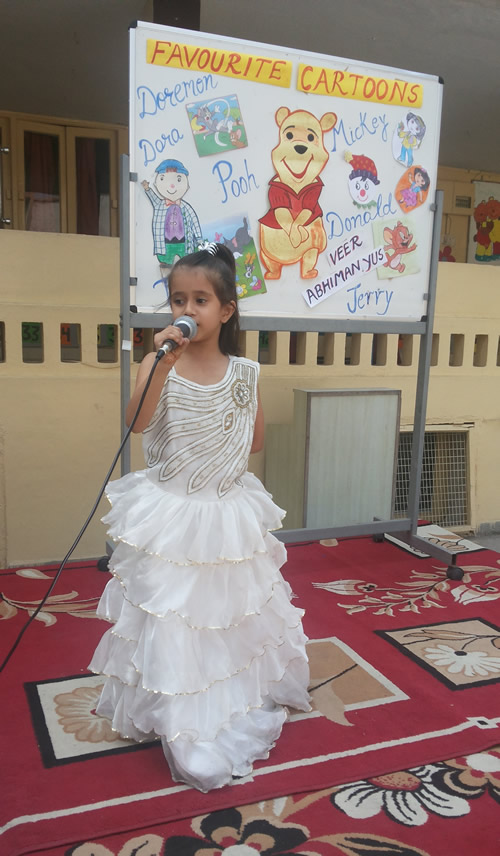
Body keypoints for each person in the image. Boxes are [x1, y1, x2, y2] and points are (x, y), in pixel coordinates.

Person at [89, 242, 311, 792]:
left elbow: (254, 441)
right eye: (178, 300)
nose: (187, 310)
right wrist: (160, 365)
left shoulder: (245, 373)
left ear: (227, 310)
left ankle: (228, 696)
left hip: (224, 511)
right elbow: (137, 423)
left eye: (201, 300)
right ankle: (182, 720)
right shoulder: (158, 362)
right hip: (173, 516)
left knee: (227, 611)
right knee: (175, 615)